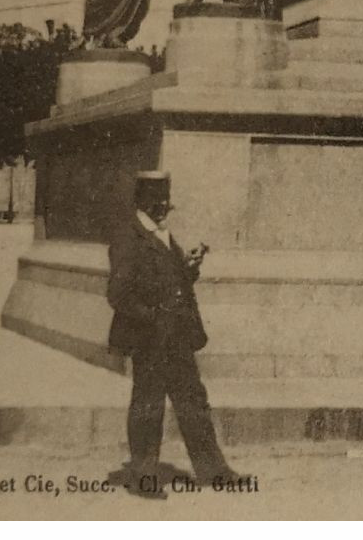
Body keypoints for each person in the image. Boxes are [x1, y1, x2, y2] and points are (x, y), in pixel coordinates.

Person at [106, 171, 240, 499]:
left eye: (166, 203)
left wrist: (188, 268)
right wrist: (153, 318)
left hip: (177, 336)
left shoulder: (163, 234)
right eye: (157, 203)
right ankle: (143, 478)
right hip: (151, 340)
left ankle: (213, 472)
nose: (164, 209)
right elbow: (118, 294)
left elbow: (171, 280)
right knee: (148, 406)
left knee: (193, 402)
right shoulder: (128, 237)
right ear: (142, 202)